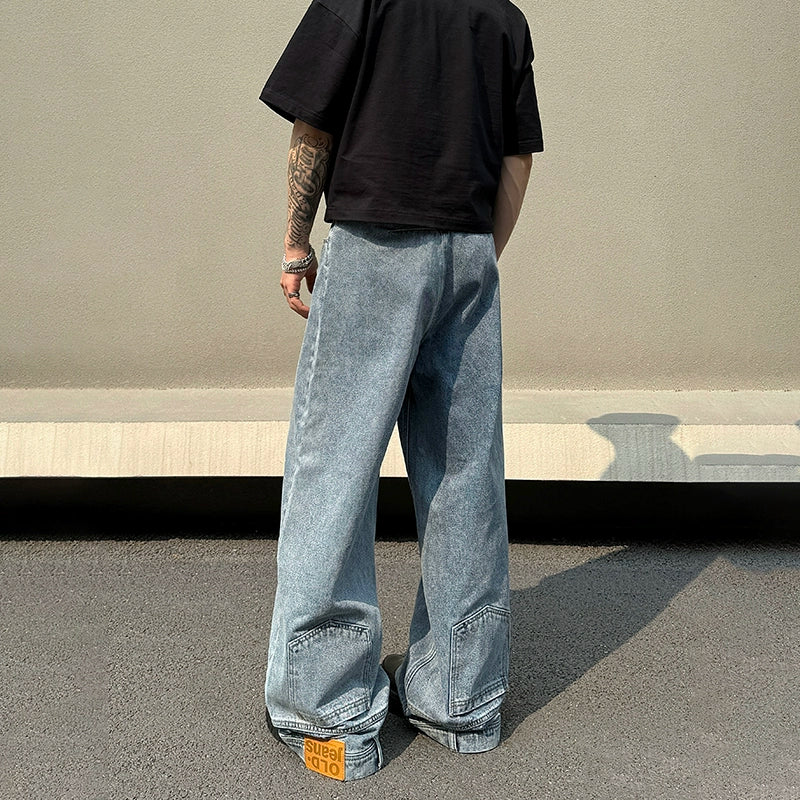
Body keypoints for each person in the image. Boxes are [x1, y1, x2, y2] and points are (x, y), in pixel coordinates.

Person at [259, 0, 543, 781]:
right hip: (468, 249)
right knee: (465, 476)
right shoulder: (503, 17)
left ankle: (329, 715)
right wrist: (473, 260)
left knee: (335, 469)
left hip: (375, 245)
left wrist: (294, 242)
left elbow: (313, 127)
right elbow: (518, 158)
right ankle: (461, 702)